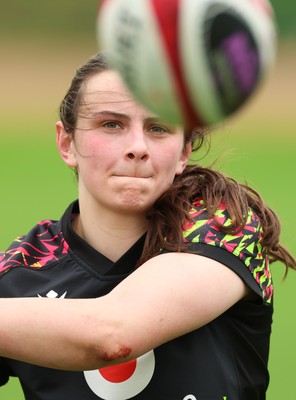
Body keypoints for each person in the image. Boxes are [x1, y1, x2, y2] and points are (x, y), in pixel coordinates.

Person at [0, 52, 295, 400]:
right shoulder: (19, 273)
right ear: (67, 143)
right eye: (112, 124)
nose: (137, 147)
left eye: (158, 128)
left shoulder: (227, 227)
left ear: (184, 151)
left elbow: (114, 335)